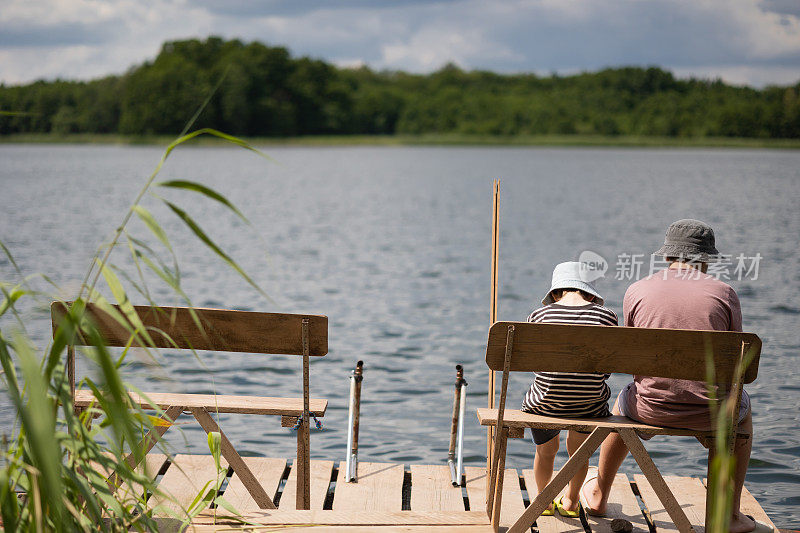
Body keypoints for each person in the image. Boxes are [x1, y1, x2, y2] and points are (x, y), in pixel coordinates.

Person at [580, 219, 767, 533]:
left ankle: (599, 494)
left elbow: (632, 356)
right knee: (741, 413)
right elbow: (738, 362)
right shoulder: (725, 293)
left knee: (622, 405)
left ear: (667, 255)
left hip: (648, 408)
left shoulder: (636, 290)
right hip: (712, 414)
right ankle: (727, 515)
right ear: (706, 258)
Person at [521, 261, 618, 517]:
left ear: (555, 293)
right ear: (590, 294)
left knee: (545, 451)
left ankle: (544, 501)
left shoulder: (538, 316)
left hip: (543, 405)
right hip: (589, 405)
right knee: (578, 453)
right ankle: (572, 501)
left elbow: (533, 363)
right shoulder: (606, 317)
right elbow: (607, 367)